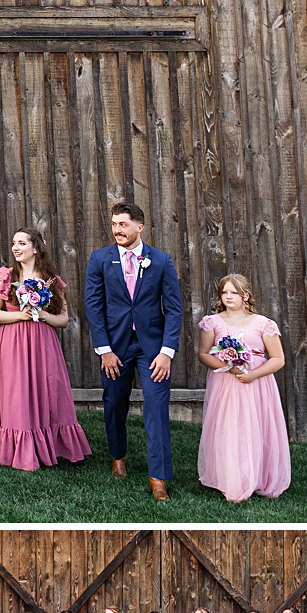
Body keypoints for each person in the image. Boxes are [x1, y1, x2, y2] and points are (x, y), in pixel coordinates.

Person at [84, 201, 183, 498]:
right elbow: (93, 306)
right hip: (114, 346)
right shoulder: (100, 259)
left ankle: (158, 478)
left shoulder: (161, 261)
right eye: (114, 224)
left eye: (123, 224)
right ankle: (118, 458)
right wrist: (104, 349)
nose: (117, 230)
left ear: (139, 227)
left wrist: (167, 352)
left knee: (156, 408)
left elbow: (174, 310)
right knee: (114, 404)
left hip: (153, 349)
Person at [0, 229, 91, 469]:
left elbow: (64, 320)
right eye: (14, 243)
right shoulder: (4, 276)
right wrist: (21, 316)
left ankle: (53, 446)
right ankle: (21, 449)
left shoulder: (51, 279)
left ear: (35, 248)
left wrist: (44, 314)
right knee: (18, 393)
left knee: (47, 390)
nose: (15, 247)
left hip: (43, 342)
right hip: (13, 341)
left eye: (21, 243)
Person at [197, 274, 291, 501]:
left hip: (257, 384)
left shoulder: (263, 324)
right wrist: (228, 367)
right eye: (224, 292)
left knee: (257, 427)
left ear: (245, 296)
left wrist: (253, 375)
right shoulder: (213, 322)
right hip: (226, 384)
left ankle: (261, 478)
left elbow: (278, 359)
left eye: (233, 292)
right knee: (230, 428)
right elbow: (202, 354)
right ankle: (232, 480)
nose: (228, 296)